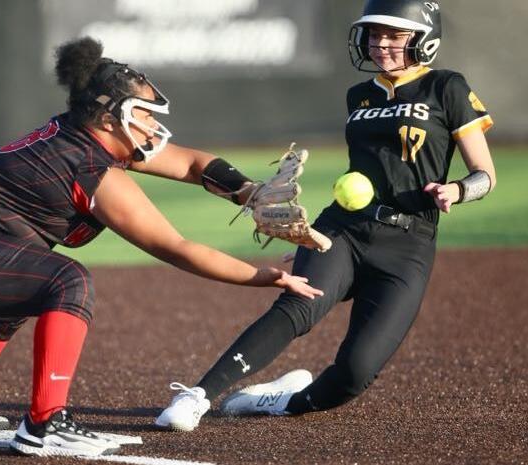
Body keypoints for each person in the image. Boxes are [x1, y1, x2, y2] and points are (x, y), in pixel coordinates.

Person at [0, 36, 322, 457]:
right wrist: (264, 276)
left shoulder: (83, 132)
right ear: (110, 119)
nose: (155, 123)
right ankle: (45, 424)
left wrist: (248, 191)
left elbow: (191, 163)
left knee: (21, 287)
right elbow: (176, 247)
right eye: (145, 113)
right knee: (68, 281)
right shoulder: (94, 168)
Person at [155, 0, 496, 432]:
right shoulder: (360, 95)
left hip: (408, 245)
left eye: (393, 35)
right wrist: (310, 234)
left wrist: (459, 190)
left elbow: (486, 175)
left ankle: (279, 402)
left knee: (356, 373)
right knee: (297, 307)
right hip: (344, 230)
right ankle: (196, 397)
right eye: (374, 34)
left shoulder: (446, 87)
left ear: (423, 39)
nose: (380, 44)